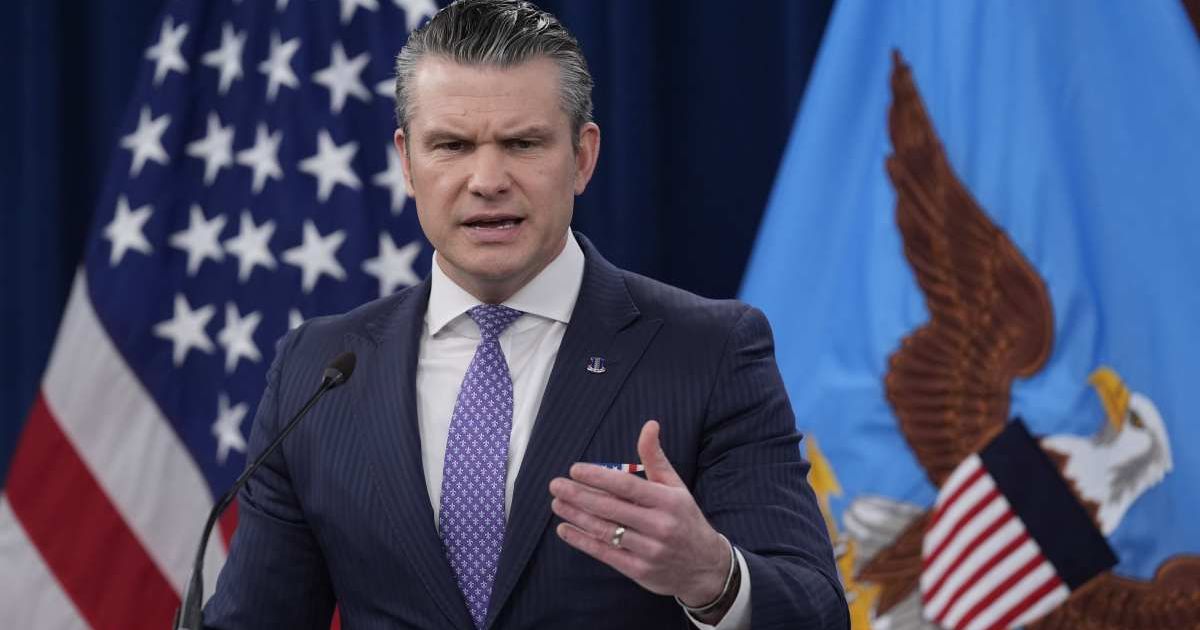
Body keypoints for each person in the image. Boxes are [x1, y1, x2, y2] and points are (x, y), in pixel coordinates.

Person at [204, 1, 847, 628]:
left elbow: (816, 610)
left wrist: (712, 576)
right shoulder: (318, 370)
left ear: (583, 157)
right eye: (452, 145)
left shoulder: (709, 351)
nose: (487, 179)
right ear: (407, 161)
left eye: (522, 143)